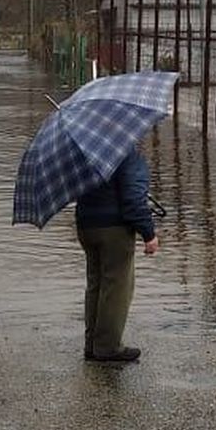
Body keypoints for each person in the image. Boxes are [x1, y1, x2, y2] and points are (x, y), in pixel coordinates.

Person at [74, 147, 159, 363]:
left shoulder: (85, 153)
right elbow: (133, 200)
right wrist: (148, 233)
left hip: (86, 225)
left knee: (96, 285)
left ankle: (92, 344)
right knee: (117, 287)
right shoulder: (128, 154)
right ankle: (108, 347)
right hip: (114, 230)